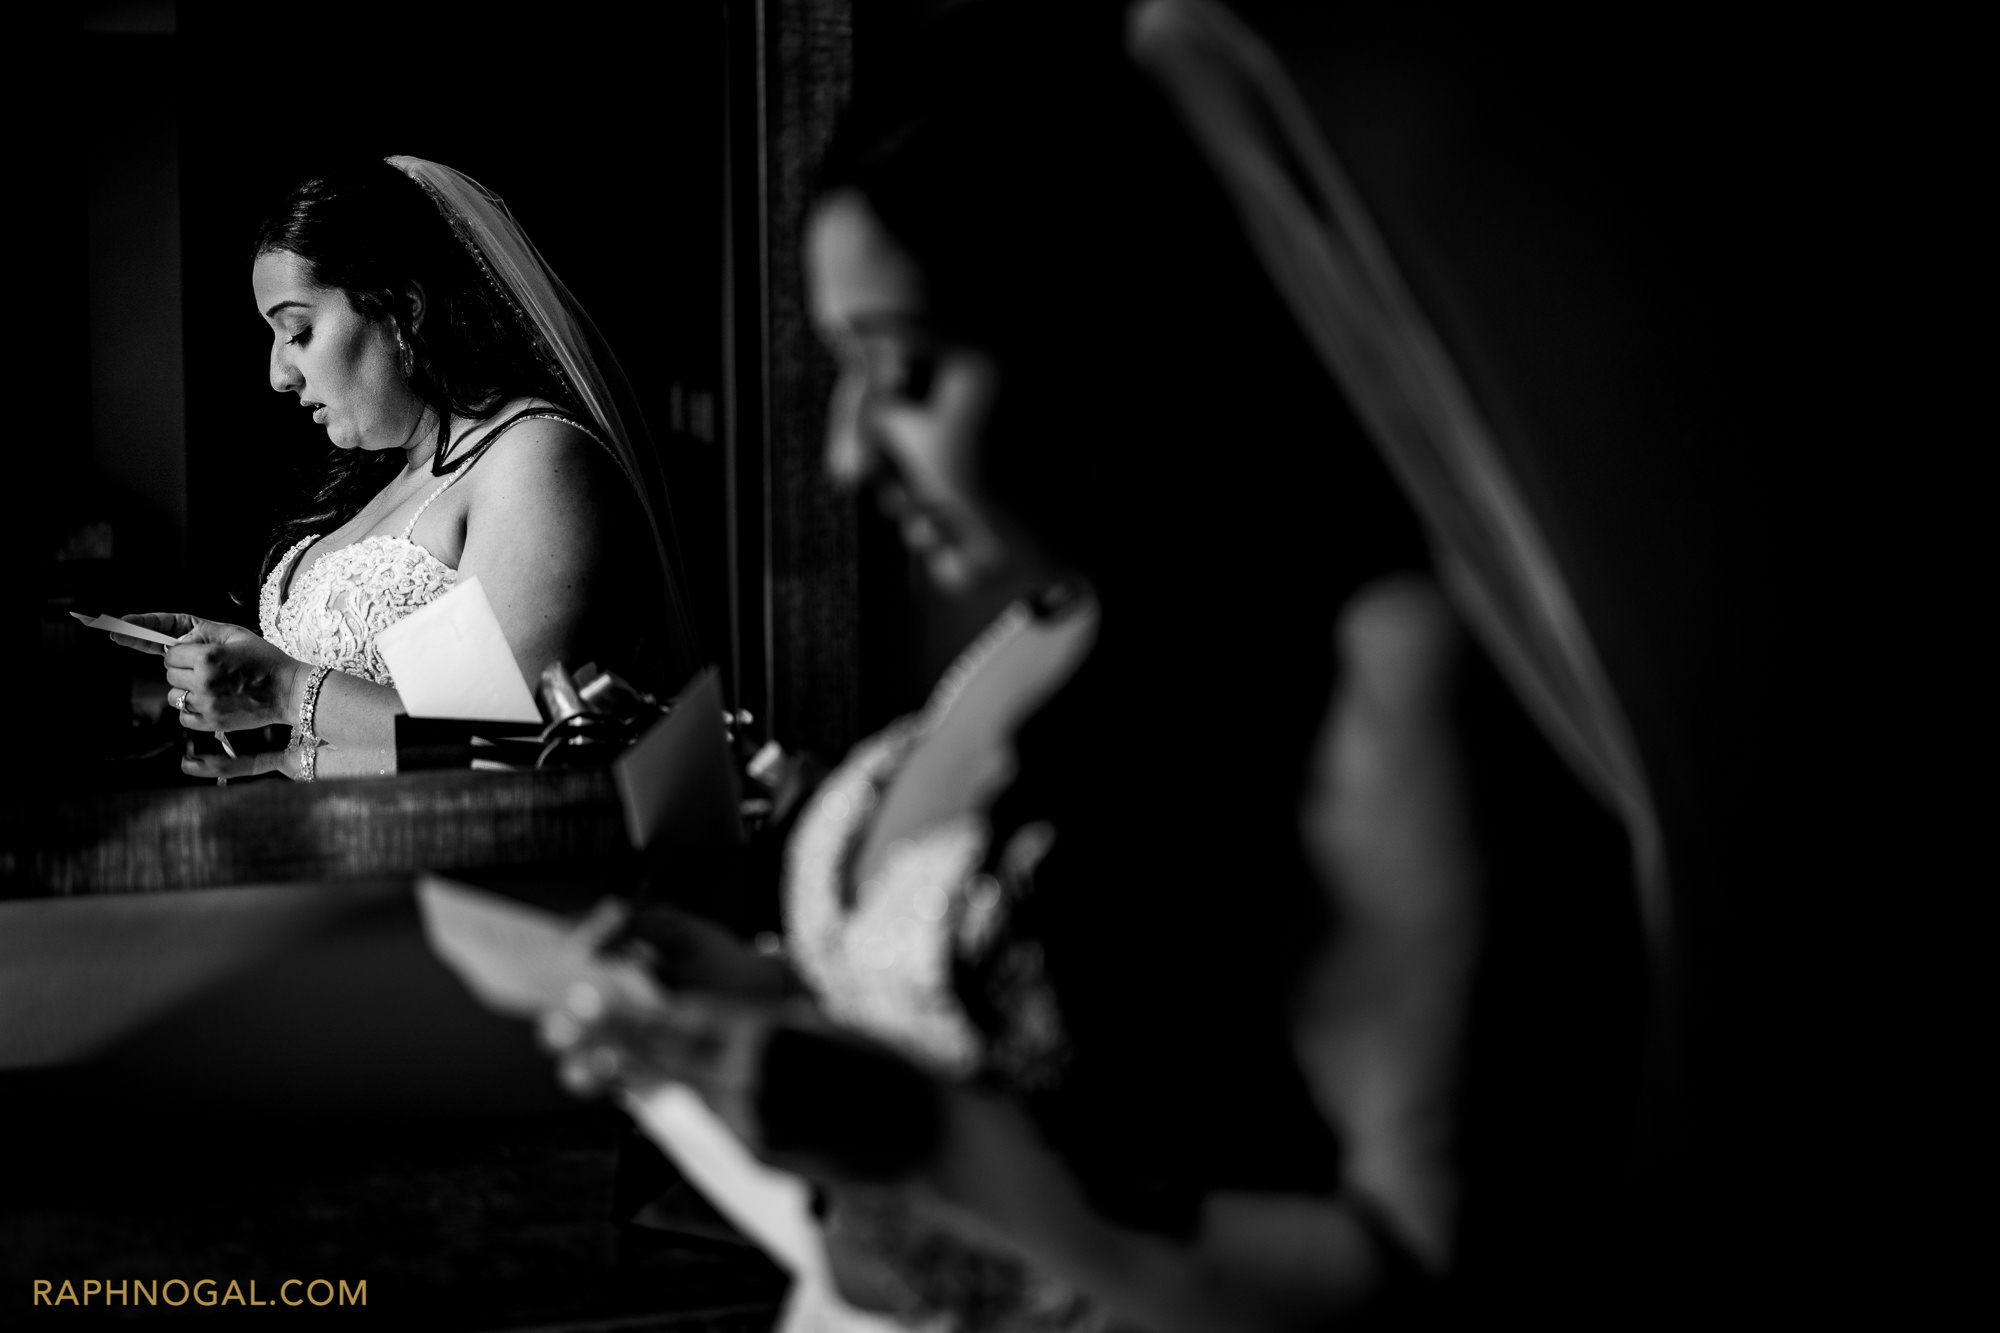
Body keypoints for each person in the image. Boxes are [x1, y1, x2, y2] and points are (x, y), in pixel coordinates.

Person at [544, 2, 1647, 1329]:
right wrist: (755, 1001)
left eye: (905, 373)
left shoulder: (1381, 671)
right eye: (840, 373)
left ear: (1099, 335)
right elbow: (1016, 1053)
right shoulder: (1041, 630)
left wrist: (919, 1141)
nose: (846, 454)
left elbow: (1412, 1270)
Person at [112, 157, 698, 781]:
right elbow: (388, 721)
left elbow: (509, 746)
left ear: (402, 307)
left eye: (299, 330)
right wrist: (252, 707)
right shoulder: (383, 482)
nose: (279, 376)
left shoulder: (533, 460)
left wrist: (283, 689)